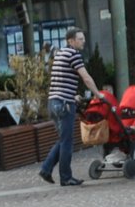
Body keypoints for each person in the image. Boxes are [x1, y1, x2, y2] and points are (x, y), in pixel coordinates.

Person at [37, 28, 102, 187]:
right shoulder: (74, 55)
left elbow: (61, 80)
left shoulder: (60, 54)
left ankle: (46, 169)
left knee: (63, 140)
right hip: (64, 105)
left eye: (83, 38)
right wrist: (98, 94)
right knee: (67, 142)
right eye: (80, 39)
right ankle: (66, 177)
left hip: (53, 103)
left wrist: (73, 95)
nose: (83, 41)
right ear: (71, 41)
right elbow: (85, 77)